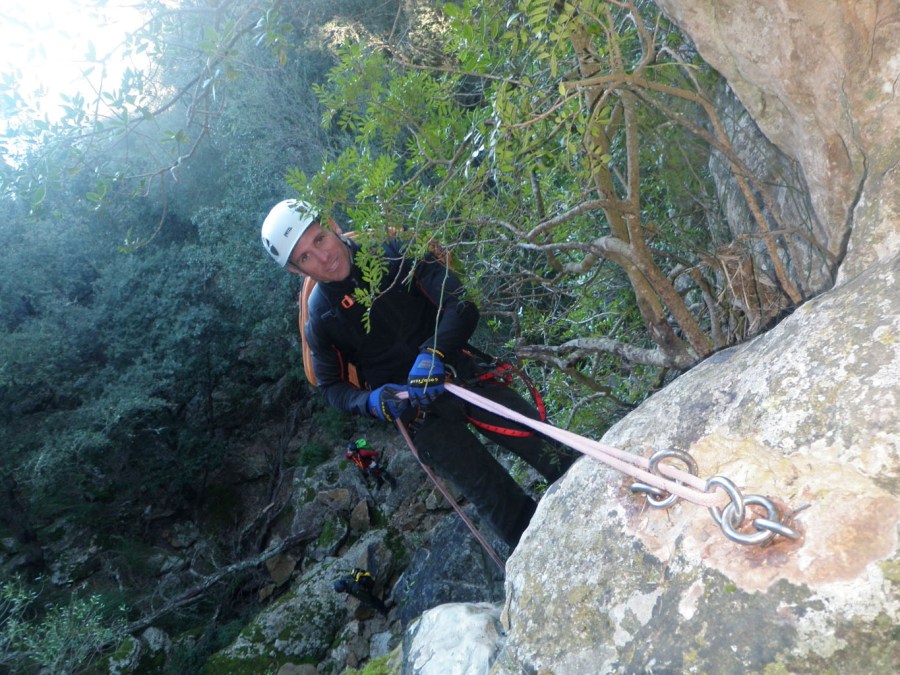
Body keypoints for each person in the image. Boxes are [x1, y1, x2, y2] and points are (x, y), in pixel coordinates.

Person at [261, 199, 575, 549]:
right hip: (417, 413)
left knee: (546, 446)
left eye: (319, 239)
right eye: (305, 257)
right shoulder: (321, 318)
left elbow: (460, 301)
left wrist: (434, 352)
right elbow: (332, 387)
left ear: (333, 225)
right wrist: (371, 402)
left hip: (459, 370)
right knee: (495, 498)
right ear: (296, 270)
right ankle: (550, 557)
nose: (323, 258)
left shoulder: (392, 250)